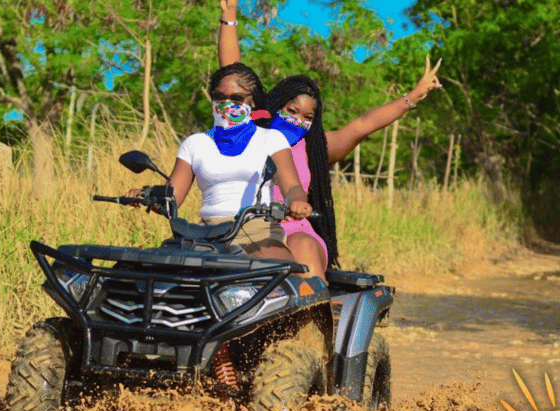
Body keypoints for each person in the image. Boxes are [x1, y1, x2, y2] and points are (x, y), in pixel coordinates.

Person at [218, 0, 443, 274]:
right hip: (247, 229)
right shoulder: (251, 131)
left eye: (307, 118)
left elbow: (363, 125)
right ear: (275, 106)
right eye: (291, 111)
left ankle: (314, 312)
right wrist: (229, 17)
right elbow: (233, 77)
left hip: (294, 231)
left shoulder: (314, 148)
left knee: (303, 250)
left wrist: (412, 97)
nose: (298, 121)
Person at [126, 62, 320, 274]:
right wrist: (146, 195)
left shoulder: (272, 139)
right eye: (220, 97)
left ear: (253, 102)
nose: (227, 104)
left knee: (285, 278)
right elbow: (171, 198)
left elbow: (292, 185)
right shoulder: (195, 143)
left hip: (259, 231)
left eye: (237, 98)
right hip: (206, 234)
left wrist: (297, 201)